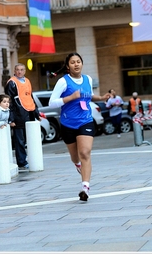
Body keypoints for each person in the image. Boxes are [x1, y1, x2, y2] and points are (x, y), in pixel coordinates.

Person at [49, 53, 111, 202]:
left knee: (85, 152)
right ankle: (77, 164)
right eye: (72, 62)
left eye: (78, 62)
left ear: (82, 64)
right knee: (75, 157)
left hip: (85, 121)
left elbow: (88, 96)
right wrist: (70, 97)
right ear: (68, 66)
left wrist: (102, 98)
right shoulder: (63, 82)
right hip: (68, 123)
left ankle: (85, 188)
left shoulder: (88, 79)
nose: (76, 64)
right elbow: (52, 103)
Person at [5, 64, 40, 171]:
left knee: (29, 139)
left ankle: (32, 159)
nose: (19, 72)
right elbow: (9, 102)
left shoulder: (27, 81)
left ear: (24, 71)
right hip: (18, 114)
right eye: (17, 70)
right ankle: (22, 161)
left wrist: (36, 113)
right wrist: (11, 119)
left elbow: (30, 97)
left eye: (21, 70)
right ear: (14, 71)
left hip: (29, 112)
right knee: (19, 140)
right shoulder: (12, 83)